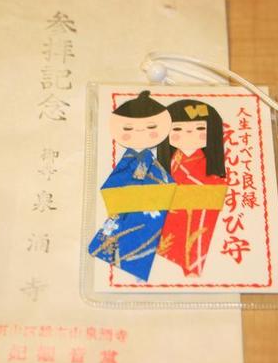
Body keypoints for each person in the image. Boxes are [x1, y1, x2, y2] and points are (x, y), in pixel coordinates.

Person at [88, 91, 176, 281]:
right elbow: (110, 187)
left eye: (151, 126)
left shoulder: (157, 160)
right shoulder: (129, 159)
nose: (140, 133)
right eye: (128, 128)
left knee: (143, 234)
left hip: (149, 212)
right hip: (128, 211)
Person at [157, 99, 228, 277]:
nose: (188, 132)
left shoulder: (209, 169)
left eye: (200, 128)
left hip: (191, 223)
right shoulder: (168, 164)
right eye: (177, 129)